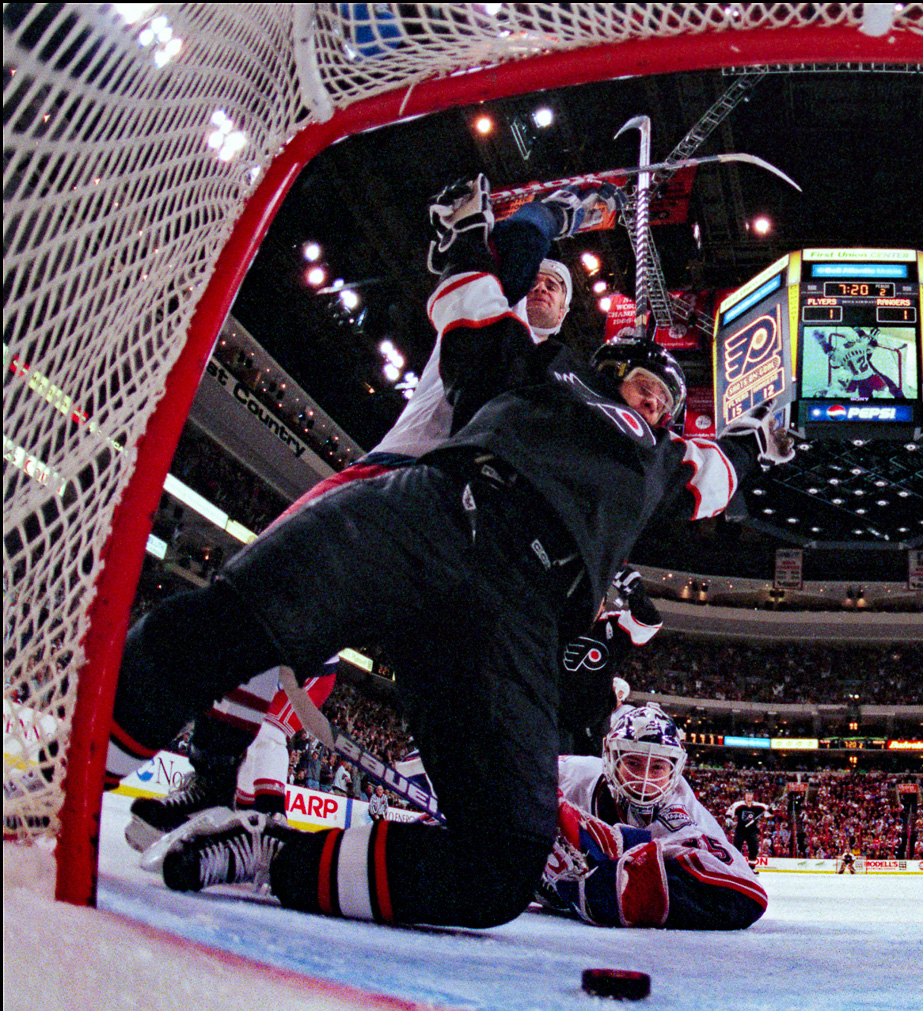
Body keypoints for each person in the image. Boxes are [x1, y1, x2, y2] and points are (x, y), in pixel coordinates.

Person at [121, 175, 796, 930]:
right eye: (643, 387)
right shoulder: (546, 371)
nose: (652, 407)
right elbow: (476, 302)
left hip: (518, 613)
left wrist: (764, 437)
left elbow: (722, 472)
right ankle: (84, 776)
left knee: (501, 867)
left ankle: (268, 856)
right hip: (442, 512)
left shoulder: (662, 462)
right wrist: (535, 222)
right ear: (605, 369)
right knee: (233, 625)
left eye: (665, 404)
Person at [121, 176, 580, 851]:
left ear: (572, 309)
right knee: (263, 613)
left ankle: (487, 839)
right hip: (402, 484)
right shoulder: (494, 319)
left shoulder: (564, 381)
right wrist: (545, 221)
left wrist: (550, 215)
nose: (542, 286)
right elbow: (510, 254)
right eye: (536, 278)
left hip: (470, 536)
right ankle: (215, 776)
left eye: (558, 285)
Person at [534, 703, 765, 930]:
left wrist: (619, 882)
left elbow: (747, 897)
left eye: (657, 767)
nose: (644, 778)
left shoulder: (686, 818)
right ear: (611, 758)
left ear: (674, 770)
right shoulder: (570, 774)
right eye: (633, 762)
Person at [556, 565, 660, 757]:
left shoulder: (613, 625)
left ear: (602, 603)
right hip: (552, 717)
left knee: (590, 777)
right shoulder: (556, 621)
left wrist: (635, 592)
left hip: (593, 723)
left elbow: (649, 623)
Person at [726, 789, 771, 869]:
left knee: (754, 849)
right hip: (740, 830)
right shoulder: (738, 805)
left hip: (752, 830)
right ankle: (736, 867)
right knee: (736, 848)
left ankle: (751, 868)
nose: (749, 796)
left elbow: (769, 813)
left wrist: (772, 809)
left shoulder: (759, 806)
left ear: (753, 796)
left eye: (750, 794)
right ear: (745, 796)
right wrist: (728, 818)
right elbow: (729, 812)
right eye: (747, 794)